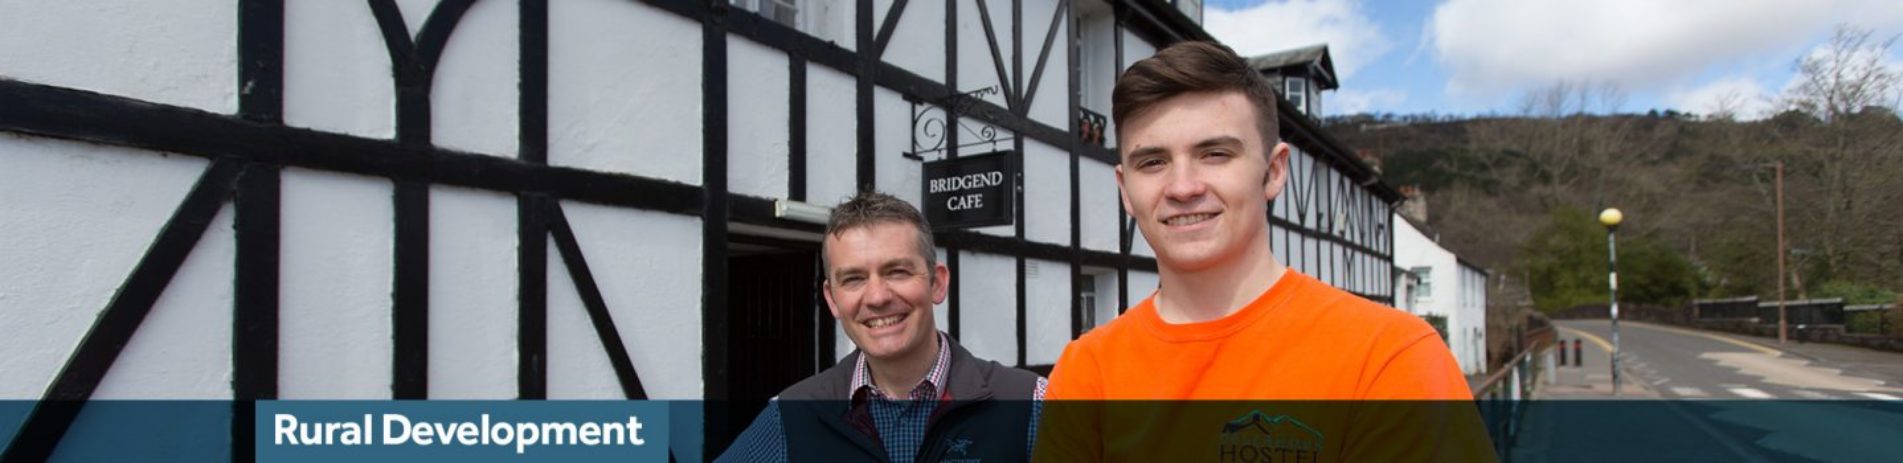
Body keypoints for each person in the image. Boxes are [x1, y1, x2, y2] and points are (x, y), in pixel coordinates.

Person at [1036, 41, 1492, 461]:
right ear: (1125, 189)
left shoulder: (1389, 358)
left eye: (1215, 154)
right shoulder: (1085, 373)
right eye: (1152, 162)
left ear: (1273, 172)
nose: (1182, 187)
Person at [717, 191, 1045, 462]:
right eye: (854, 279)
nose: (876, 297)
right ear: (832, 299)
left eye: (897, 272)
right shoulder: (790, 417)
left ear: (937, 283)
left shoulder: (1032, 404)